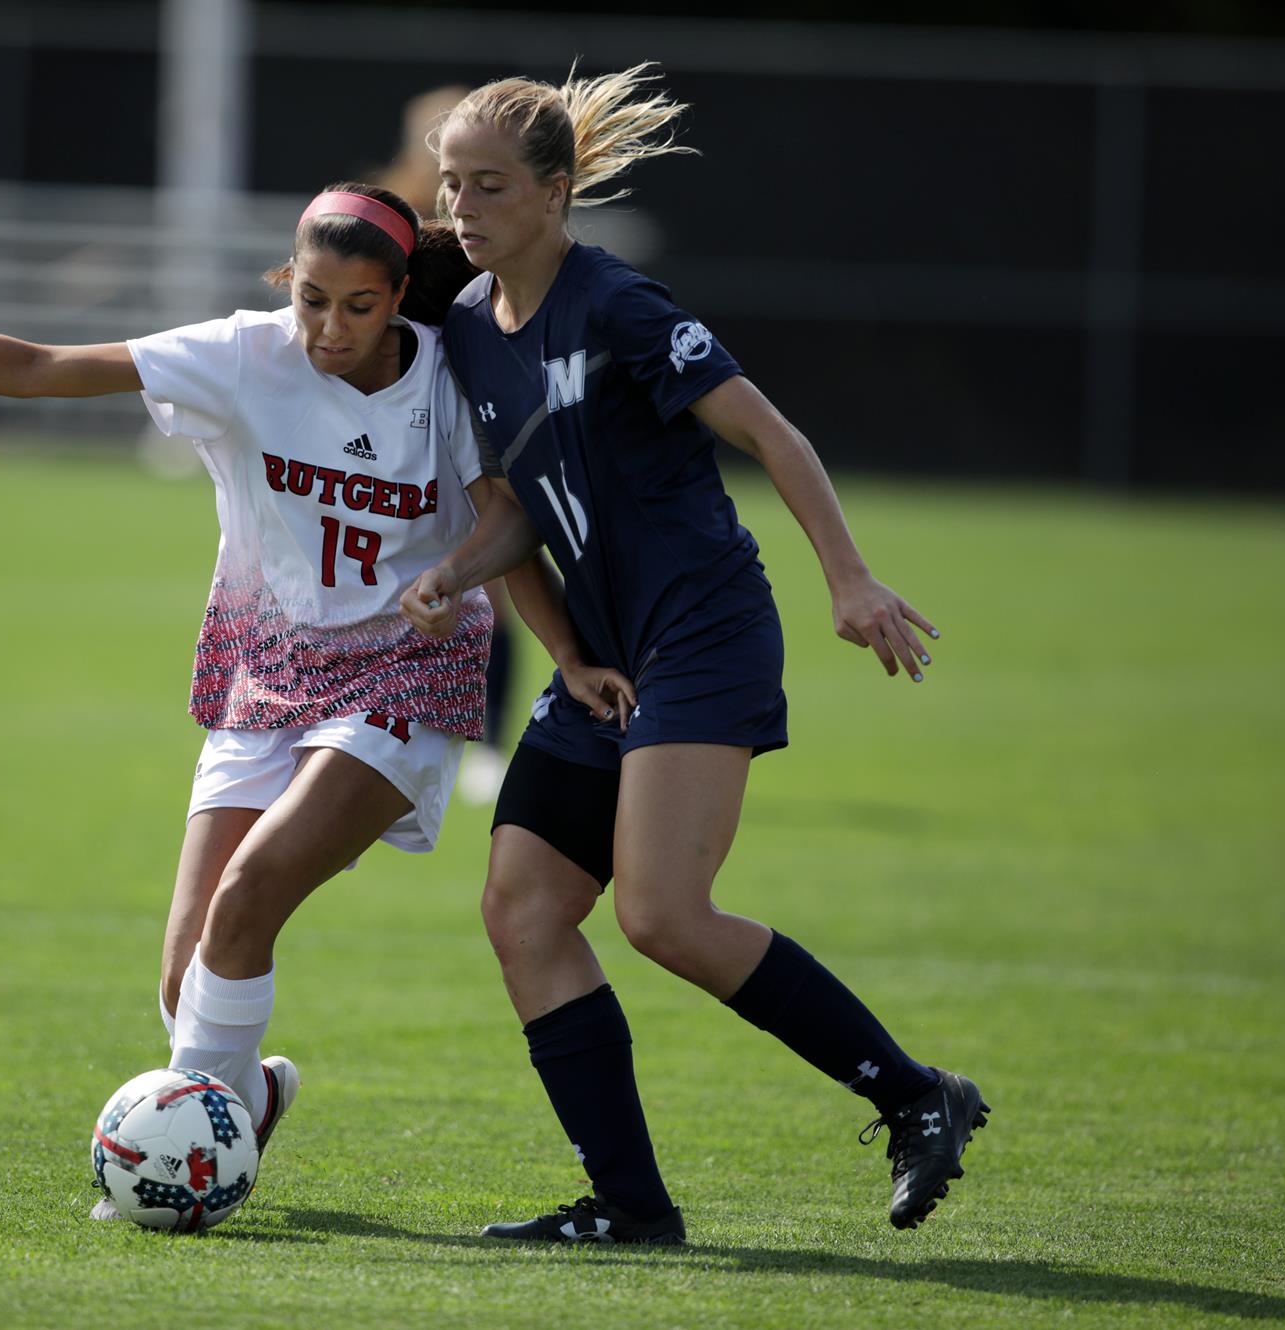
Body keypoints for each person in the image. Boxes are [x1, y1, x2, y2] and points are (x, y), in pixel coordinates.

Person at [0, 181, 589, 1219]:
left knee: (249, 896)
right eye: (311, 298)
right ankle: (245, 1100)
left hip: (406, 674)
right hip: (264, 672)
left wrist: (528, 630)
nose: (328, 327)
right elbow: (41, 368)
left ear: (401, 294)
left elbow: (512, 526)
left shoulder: (448, 381)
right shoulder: (244, 354)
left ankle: (177, 1166)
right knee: (187, 975)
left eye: (358, 305)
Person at [402, 65, 989, 1244]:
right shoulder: (468, 328)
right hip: (608, 654)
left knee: (664, 914)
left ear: (558, 193)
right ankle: (629, 1206)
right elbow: (516, 507)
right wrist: (484, 592)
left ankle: (918, 1094)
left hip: (703, 631)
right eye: (452, 185)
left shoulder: (616, 303)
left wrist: (850, 578)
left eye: (491, 186)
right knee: (522, 908)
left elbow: (769, 430)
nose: (462, 208)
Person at [373, 86, 519, 803]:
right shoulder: (388, 205)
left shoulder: (490, 218)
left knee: (495, 578)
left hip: (473, 407)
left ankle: (489, 741)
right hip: (395, 421)